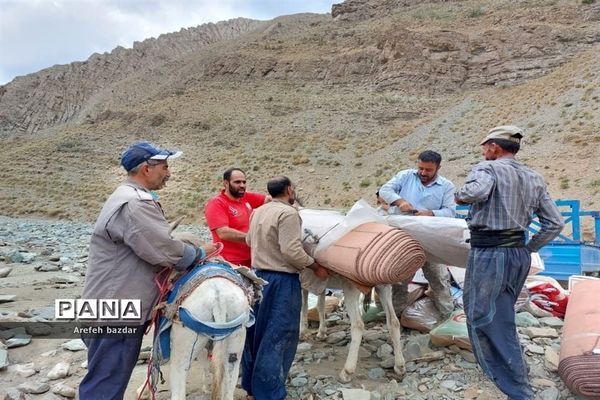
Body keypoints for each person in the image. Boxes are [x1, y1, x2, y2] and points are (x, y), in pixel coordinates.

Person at [79, 141, 217, 400]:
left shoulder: (125, 195)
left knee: (107, 377)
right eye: (164, 166)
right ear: (146, 168)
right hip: (116, 310)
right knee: (106, 383)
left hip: (108, 306)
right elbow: (165, 250)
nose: (168, 172)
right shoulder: (135, 203)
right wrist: (200, 252)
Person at [455, 126, 564, 400]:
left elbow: (473, 194)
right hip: (517, 254)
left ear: (493, 147)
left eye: (485, 147)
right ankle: (514, 371)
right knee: (502, 313)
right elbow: (556, 223)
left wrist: (458, 193)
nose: (483, 152)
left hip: (490, 254)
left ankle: (516, 388)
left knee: (484, 317)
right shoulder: (534, 177)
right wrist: (529, 249)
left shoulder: (487, 169)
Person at [241, 176, 328, 400]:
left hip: (257, 278)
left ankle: (251, 387)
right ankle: (269, 392)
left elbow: (250, 241)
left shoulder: (258, 211)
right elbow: (291, 251)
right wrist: (315, 265)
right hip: (282, 281)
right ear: (289, 190)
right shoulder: (289, 213)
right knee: (279, 334)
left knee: (256, 333)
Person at [379, 150, 456, 317]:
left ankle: (447, 317)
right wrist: (400, 201)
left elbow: (451, 211)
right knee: (400, 280)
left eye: (428, 170)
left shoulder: (447, 186)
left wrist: (430, 213)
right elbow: (384, 190)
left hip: (431, 240)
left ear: (438, 168)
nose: (423, 173)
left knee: (439, 280)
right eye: (420, 168)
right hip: (403, 240)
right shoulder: (406, 176)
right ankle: (396, 318)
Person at [204, 168, 270, 268]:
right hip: (231, 263)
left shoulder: (245, 197)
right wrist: (252, 238)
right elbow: (223, 233)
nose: (242, 185)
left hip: (253, 259)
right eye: (237, 182)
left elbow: (269, 200)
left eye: (244, 182)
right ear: (226, 183)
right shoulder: (217, 203)